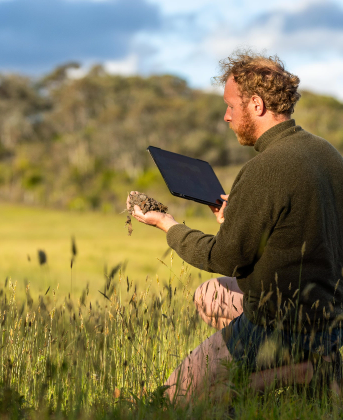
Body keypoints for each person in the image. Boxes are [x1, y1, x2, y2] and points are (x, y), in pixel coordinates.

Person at [128, 50, 343, 403]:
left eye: (231, 106)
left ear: (256, 105)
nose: (227, 116)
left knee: (176, 398)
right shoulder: (326, 154)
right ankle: (296, 363)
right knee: (208, 296)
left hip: (284, 324)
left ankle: (305, 371)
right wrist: (236, 218)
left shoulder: (266, 168)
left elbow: (227, 258)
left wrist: (168, 226)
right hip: (330, 318)